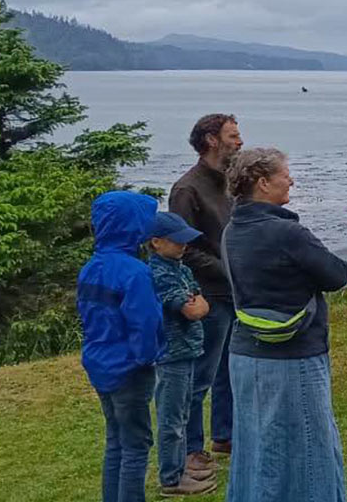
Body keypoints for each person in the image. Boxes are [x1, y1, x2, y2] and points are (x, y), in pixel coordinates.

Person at [222, 147, 347, 502]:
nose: (291, 179)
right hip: (294, 353)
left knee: (254, 443)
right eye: (285, 174)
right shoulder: (287, 232)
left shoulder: (232, 230)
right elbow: (337, 275)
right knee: (310, 445)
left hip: (246, 351)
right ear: (263, 183)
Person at [79, 191, 163, 502]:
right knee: (136, 447)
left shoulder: (92, 267)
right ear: (132, 226)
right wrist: (148, 357)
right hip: (130, 368)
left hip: (101, 361)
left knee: (115, 440)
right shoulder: (135, 272)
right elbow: (145, 322)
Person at [168, 113, 241, 470]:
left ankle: (225, 434)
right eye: (233, 135)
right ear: (211, 140)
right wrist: (227, 270)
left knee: (230, 370)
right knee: (201, 375)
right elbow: (183, 246)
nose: (239, 142)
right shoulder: (187, 189)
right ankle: (191, 448)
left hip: (232, 293)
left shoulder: (229, 183)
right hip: (208, 293)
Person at [148, 211, 217, 496]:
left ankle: (180, 467)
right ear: (156, 242)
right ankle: (171, 477)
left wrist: (197, 306)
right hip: (171, 354)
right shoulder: (159, 273)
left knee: (185, 411)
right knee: (172, 419)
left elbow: (202, 304)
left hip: (189, 350)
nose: (183, 246)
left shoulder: (182, 269)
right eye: (177, 241)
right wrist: (196, 306)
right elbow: (191, 309)